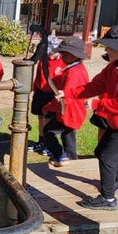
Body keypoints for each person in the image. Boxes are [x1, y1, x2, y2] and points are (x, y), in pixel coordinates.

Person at [55, 23, 118, 210]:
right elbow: (95, 86)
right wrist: (68, 94)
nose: (106, 49)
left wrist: (96, 104)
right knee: (101, 152)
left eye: (111, 46)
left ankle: (108, 199)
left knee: (108, 157)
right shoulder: (115, 65)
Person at [41, 37, 90, 167]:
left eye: (64, 54)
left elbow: (65, 97)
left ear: (73, 56)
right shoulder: (77, 69)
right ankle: (72, 159)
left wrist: (49, 107)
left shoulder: (74, 72)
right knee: (68, 135)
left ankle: (59, 156)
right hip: (76, 111)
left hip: (69, 111)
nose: (61, 57)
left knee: (48, 131)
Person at [28, 35, 63, 156]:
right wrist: (35, 88)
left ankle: (49, 144)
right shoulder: (43, 59)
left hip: (53, 94)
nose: (48, 55)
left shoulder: (62, 62)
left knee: (49, 119)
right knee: (40, 118)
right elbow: (39, 74)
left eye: (50, 52)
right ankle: (41, 141)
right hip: (40, 92)